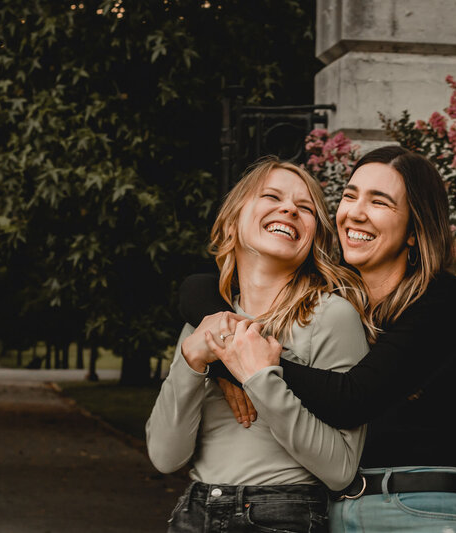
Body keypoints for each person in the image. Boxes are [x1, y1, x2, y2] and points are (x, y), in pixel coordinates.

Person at [184, 145, 456, 532]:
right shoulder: (328, 296)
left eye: (379, 202)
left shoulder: (441, 298)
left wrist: (238, 365)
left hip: (421, 509)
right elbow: (197, 287)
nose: (355, 212)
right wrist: (227, 354)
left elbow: (351, 399)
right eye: (350, 195)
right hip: (335, 509)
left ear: (415, 231)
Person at [146, 157, 373, 533]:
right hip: (195, 510)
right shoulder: (204, 323)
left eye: (306, 208)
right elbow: (165, 457)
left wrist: (261, 378)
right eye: (272, 196)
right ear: (234, 216)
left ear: (314, 237)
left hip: (282, 514)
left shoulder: (331, 316)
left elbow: (340, 470)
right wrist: (191, 362)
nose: (289, 209)